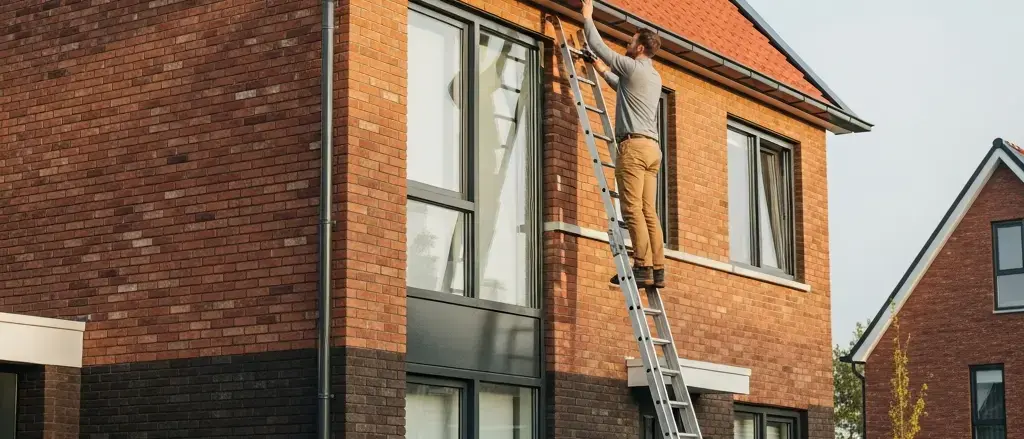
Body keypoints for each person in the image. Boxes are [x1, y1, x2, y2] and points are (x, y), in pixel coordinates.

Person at [580, 0, 666, 289]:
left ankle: (641, 266)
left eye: (631, 41)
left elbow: (598, 44)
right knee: (648, 210)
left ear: (639, 48)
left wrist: (588, 16)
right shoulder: (653, 76)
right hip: (653, 150)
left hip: (634, 148)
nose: (627, 44)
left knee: (631, 210)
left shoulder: (631, 66)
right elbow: (622, 88)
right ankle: (657, 268)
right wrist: (600, 69)